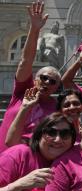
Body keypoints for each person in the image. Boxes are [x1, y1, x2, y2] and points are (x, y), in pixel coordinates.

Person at [0, 1, 60, 152]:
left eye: (52, 81)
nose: (46, 82)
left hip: (32, 165)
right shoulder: (23, 91)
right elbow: (25, 61)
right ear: (34, 79)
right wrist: (34, 29)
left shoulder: (57, 108)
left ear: (56, 87)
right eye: (43, 77)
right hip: (4, 159)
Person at [0, 112, 76, 191]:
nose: (57, 139)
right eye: (51, 132)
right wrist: (18, 185)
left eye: (65, 134)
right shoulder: (17, 155)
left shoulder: (72, 162)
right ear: (39, 135)